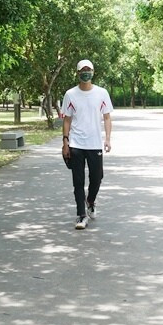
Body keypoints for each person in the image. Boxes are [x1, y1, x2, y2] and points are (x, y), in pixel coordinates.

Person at [62, 59, 113, 230]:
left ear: (93, 71)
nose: (86, 72)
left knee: (97, 178)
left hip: (95, 143)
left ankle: (90, 201)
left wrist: (107, 139)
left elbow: (107, 117)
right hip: (76, 143)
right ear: (77, 73)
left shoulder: (102, 93)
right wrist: (65, 141)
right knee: (78, 181)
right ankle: (81, 215)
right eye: (82, 70)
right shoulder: (70, 94)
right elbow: (67, 120)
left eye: (88, 69)